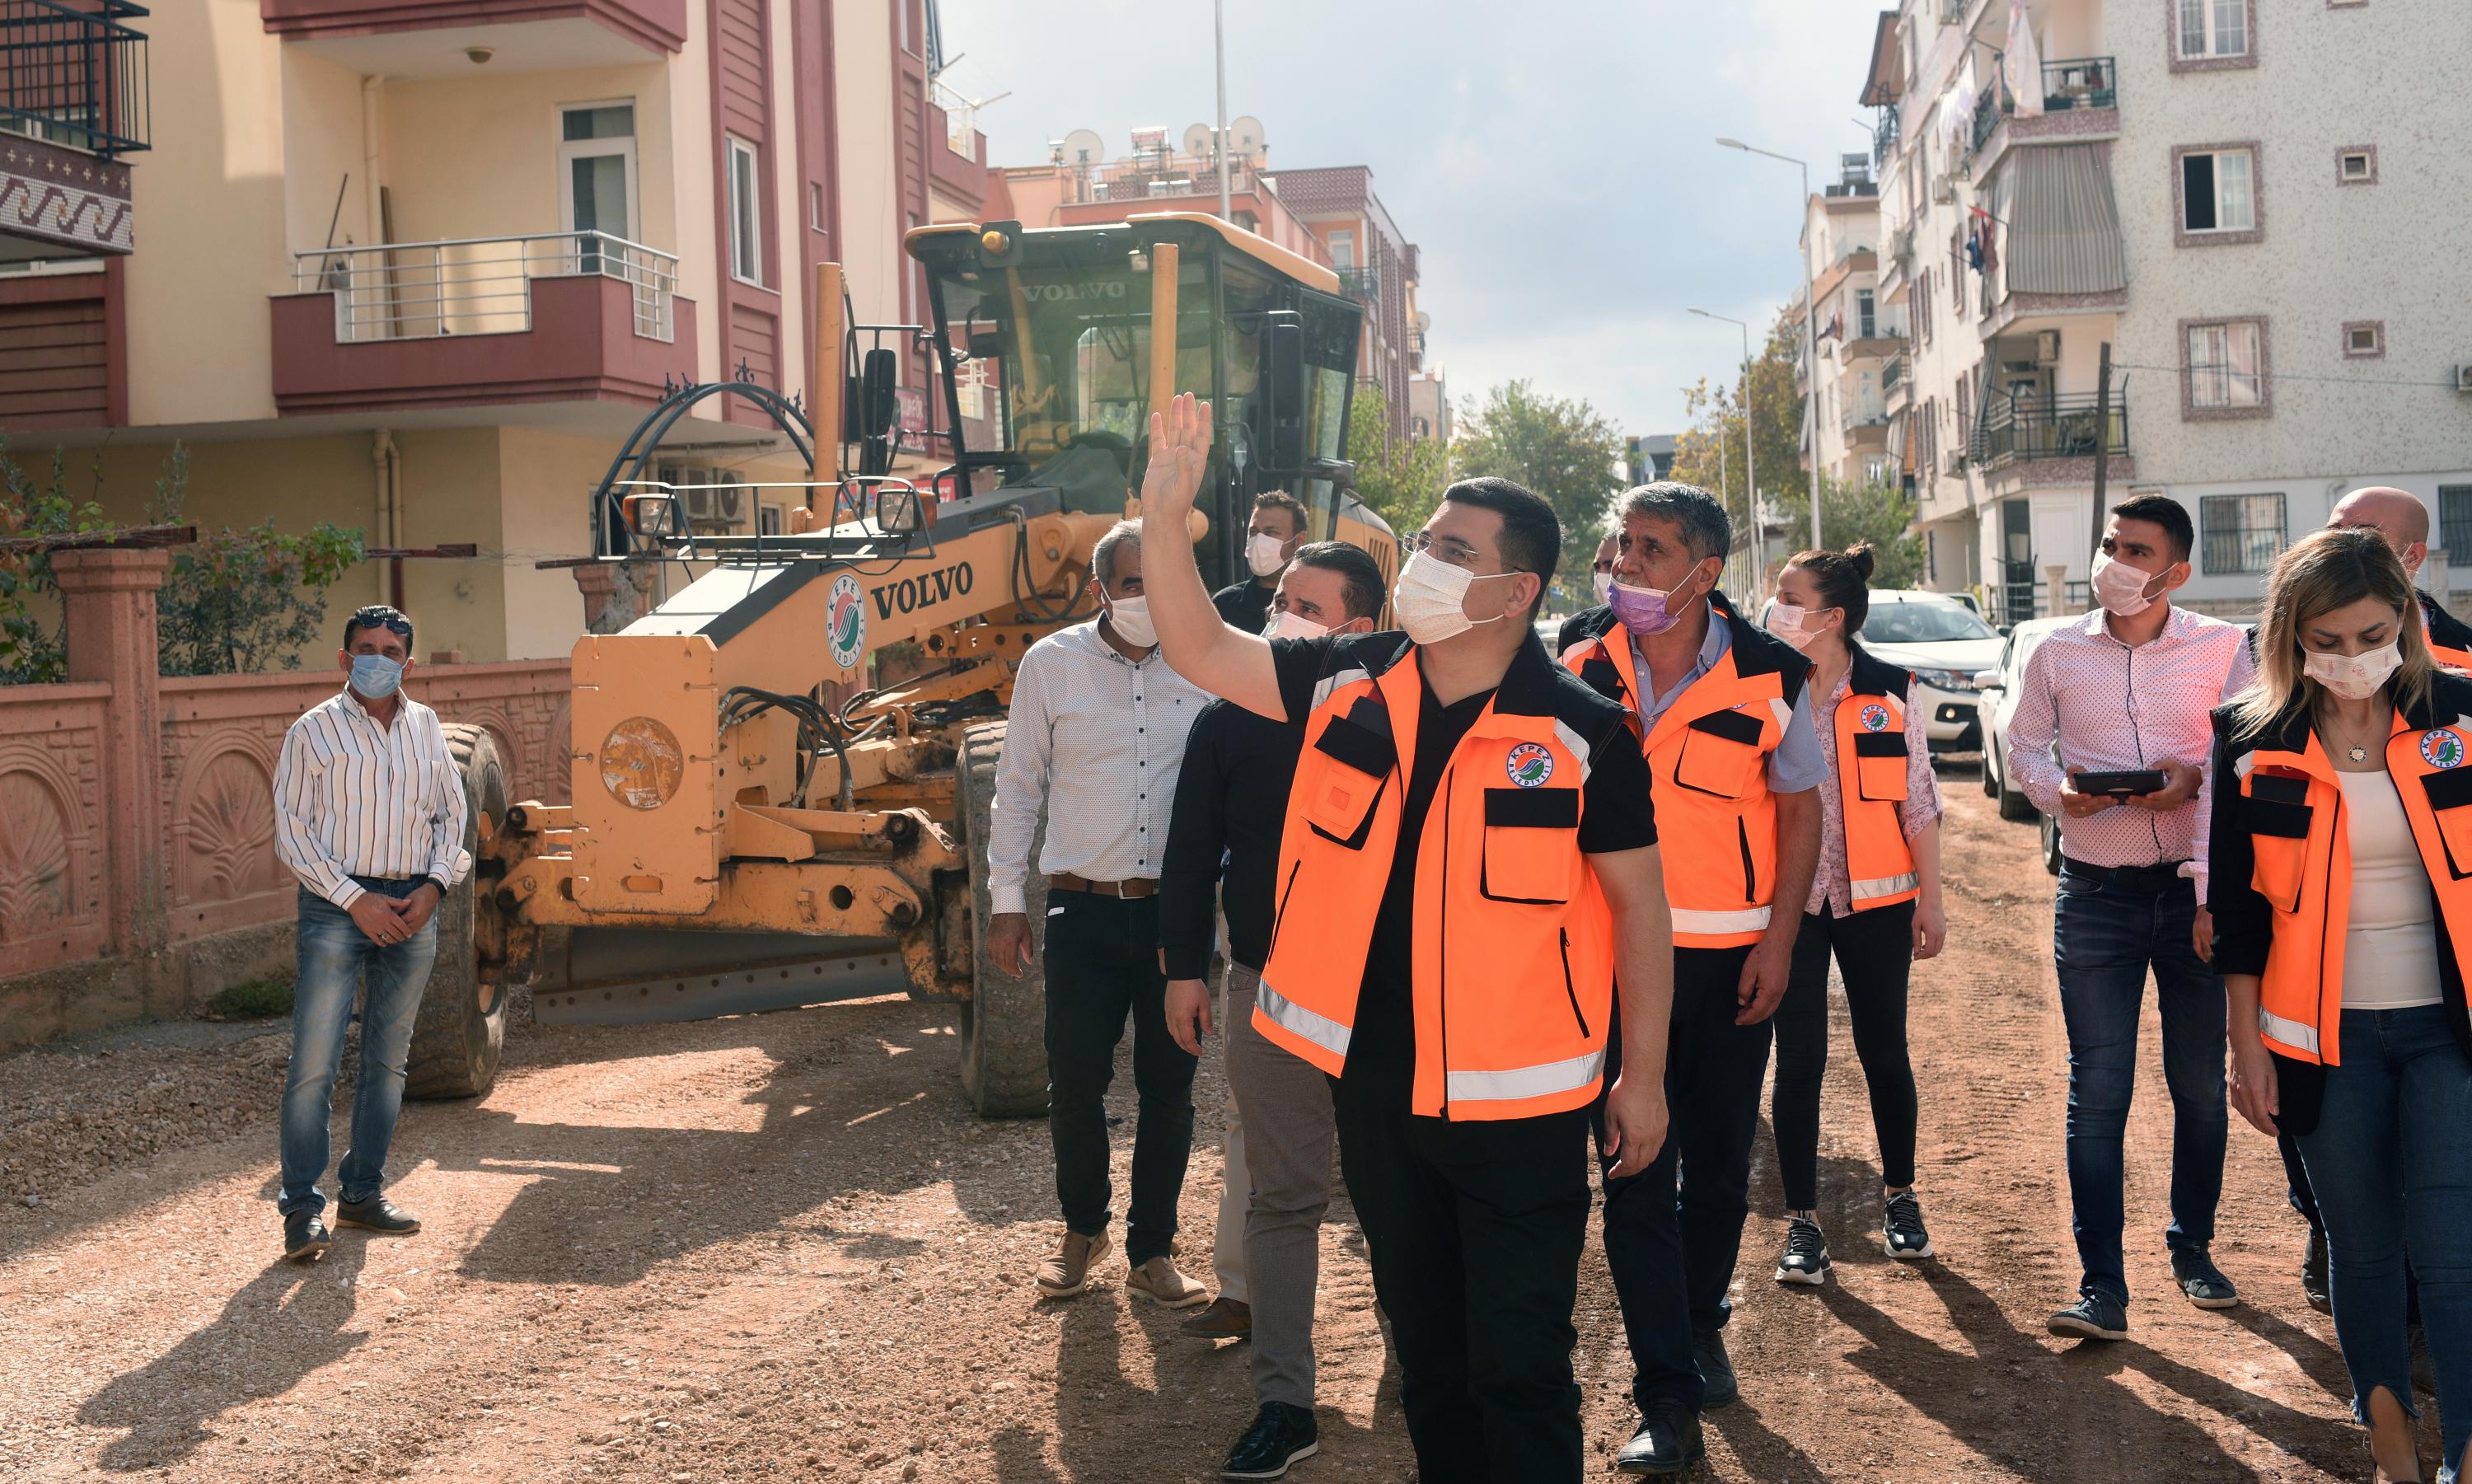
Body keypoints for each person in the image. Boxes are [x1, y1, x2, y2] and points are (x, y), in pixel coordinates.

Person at [1139, 394, 1676, 1484]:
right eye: (1425, 541)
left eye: (1450, 549)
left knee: (1519, 1368)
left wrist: (1646, 1079)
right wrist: (1161, 511)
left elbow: (1642, 914)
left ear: (1514, 590)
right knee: (1429, 1362)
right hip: (1378, 1085)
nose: (1422, 559)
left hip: (1522, 1108)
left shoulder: (1585, 735)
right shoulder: (1344, 681)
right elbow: (1197, 644)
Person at [1558, 482, 1822, 1470]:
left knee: (1714, 1168)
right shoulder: (1578, 659)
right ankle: (1664, 1391)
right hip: (1609, 959)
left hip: (1727, 960)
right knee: (1634, 1166)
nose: (1624, 562)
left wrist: (1781, 940)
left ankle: (1701, 1314)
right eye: (1619, 542)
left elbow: (1802, 814)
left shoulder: (1771, 675)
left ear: (1706, 572)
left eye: (1650, 548)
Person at [2207, 527, 2472, 1484]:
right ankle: (2391, 1439)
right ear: (2291, 637)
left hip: (2453, 1032)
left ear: (2404, 620)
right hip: (2320, 1037)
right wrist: (2246, 1046)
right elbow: (2236, 914)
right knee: (2361, 1248)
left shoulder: (2464, 712)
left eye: (2371, 633)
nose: (2353, 656)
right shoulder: (2249, 736)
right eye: (2329, 638)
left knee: (2451, 1250)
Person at [1159, 541, 1388, 1479]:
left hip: (1384, 994)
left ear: (1360, 629)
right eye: (1280, 597)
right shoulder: (1226, 720)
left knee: (1389, 1193)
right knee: (1282, 1195)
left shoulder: (1400, 717)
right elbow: (1187, 851)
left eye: (1308, 604)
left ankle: (1416, 1364)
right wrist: (1186, 969)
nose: (1281, 612)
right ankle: (1284, 1403)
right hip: (1268, 987)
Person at [2005, 494, 2255, 1341]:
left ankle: (2193, 1247)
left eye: (2136, 549)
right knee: (2099, 1089)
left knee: (2198, 1085)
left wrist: (2191, 784)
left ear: (2176, 570)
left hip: (2192, 896)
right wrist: (2059, 796)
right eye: (2111, 543)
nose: (2114, 559)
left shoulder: (2226, 650)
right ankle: (2101, 1286)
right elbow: (2023, 744)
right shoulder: (2054, 649)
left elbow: (2247, 761)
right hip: (2098, 894)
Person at [986, 518, 1215, 1307]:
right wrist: (1006, 900)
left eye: (1163, 579)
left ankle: (1152, 1249)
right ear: (1099, 591)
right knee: (1076, 1082)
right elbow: (1017, 784)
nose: (1149, 597)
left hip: (1175, 923)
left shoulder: (1211, 662)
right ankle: (1082, 1229)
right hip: (1080, 914)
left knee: (1169, 1088)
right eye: (1132, 582)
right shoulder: (1051, 665)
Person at [1759, 545, 1947, 1288]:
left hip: (1878, 902)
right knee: (1798, 1059)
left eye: (1787, 595)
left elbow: (1920, 800)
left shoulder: (1890, 689)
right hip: (1792, 905)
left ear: (1831, 616)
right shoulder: (1766, 687)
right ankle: (1803, 1222)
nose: (1774, 606)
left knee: (1883, 1050)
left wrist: (1931, 896)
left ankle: (1901, 1197)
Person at [269, 605, 471, 1263]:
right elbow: (292, 833)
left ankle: (362, 1193)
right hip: (336, 906)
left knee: (388, 1061)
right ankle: (302, 1209)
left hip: (414, 902)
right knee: (314, 1065)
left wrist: (435, 886)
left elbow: (452, 815)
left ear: (408, 663)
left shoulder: (427, 726)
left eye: (390, 649)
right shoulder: (313, 732)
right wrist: (357, 901)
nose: (377, 658)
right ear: (344, 658)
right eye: (365, 647)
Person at [2329, 485, 2472, 670]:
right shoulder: (2291, 637)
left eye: (2363, 535)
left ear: (2413, 556)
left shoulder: (2463, 653)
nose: (2340, 546)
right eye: (2333, 532)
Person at [1213, 491, 1313, 632]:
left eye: (1270, 532)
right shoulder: (1224, 603)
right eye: (1253, 532)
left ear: (1299, 540)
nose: (1258, 541)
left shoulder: (1316, 605)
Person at [1556, 533, 1619, 654]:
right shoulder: (1575, 631)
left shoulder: (1651, 634)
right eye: (1597, 568)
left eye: (1610, 565)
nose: (1600, 575)